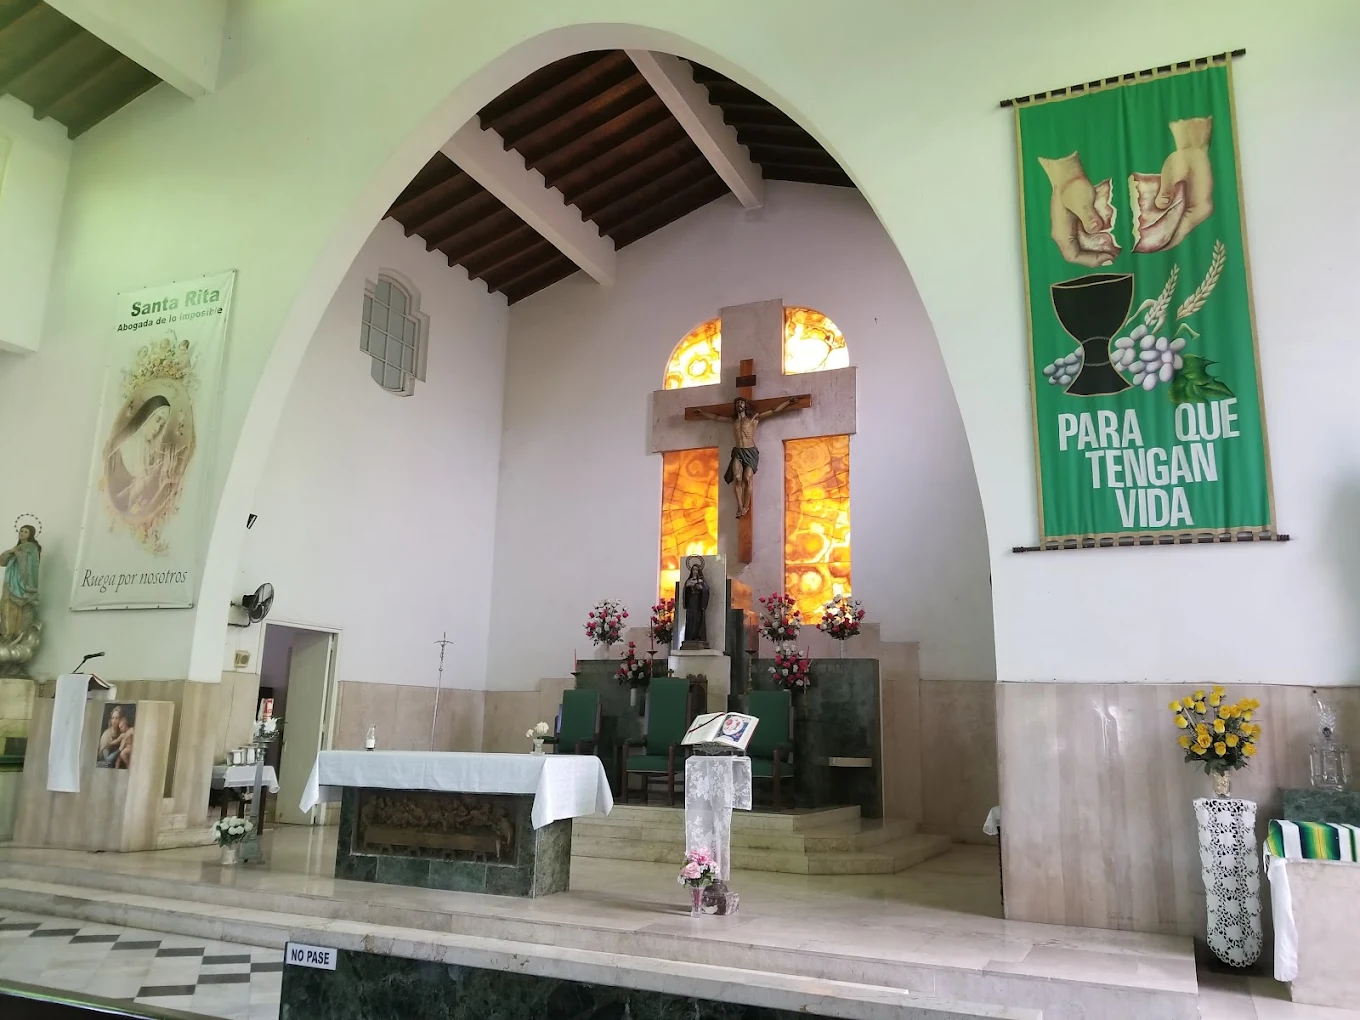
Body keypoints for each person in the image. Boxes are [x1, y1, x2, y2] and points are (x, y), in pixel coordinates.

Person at [693, 396, 799, 518]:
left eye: (742, 402)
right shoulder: (733, 420)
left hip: (750, 451)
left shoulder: (753, 418)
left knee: (747, 479)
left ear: (745, 405)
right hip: (738, 451)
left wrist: (788, 402)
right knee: (738, 478)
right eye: (737, 402)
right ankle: (740, 506)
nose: (739, 404)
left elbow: (774, 411)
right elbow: (716, 417)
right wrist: (702, 413)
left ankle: (746, 506)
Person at [0, 525, 40, 644]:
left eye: (26, 532)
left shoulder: (31, 547)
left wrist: (18, 553)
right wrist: (11, 551)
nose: (22, 533)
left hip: (23, 584)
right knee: (7, 609)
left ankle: (18, 635)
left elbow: (31, 565)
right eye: (21, 531)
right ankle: (7, 635)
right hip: (9, 583)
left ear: (30, 535)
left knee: (22, 611)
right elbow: (2, 561)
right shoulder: (16, 548)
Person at [681, 560, 710, 648]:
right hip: (691, 602)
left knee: (697, 619)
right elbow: (685, 593)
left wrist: (700, 588)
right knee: (690, 619)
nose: (695, 571)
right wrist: (688, 588)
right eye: (693, 570)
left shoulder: (701, 581)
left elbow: (706, 590)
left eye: (696, 570)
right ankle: (690, 637)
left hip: (697, 603)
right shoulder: (688, 581)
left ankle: (697, 636)